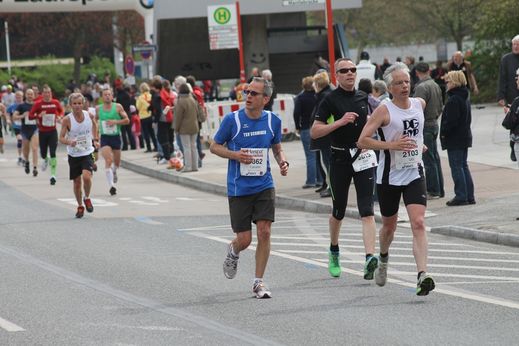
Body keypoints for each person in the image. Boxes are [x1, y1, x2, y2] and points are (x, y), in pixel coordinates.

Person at [357, 62, 436, 296]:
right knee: (389, 227)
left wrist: (419, 146)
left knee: (418, 223)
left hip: (414, 172)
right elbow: (362, 141)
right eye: (399, 83)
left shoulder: (419, 104)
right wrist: (391, 145)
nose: (404, 86)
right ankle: (383, 258)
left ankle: (422, 275)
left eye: (407, 82)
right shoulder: (384, 110)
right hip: (389, 176)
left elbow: (417, 133)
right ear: (389, 87)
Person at [210, 77, 289, 299]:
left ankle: (258, 282)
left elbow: (276, 147)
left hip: (264, 184)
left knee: (265, 231)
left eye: (254, 93)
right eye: (247, 92)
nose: (248, 96)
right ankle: (233, 251)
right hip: (239, 188)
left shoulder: (273, 120)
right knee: (245, 240)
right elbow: (214, 146)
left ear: (266, 98)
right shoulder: (232, 120)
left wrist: (282, 160)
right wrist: (235, 155)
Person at [310, 58, 378, 281]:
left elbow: (378, 120)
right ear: (336, 76)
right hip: (339, 158)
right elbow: (315, 132)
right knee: (338, 210)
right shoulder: (329, 100)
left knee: (366, 209)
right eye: (344, 71)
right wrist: (339, 123)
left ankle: (369, 257)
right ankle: (334, 250)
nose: (350, 73)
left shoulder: (363, 97)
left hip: (363, 156)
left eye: (353, 70)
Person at [59, 93, 98, 218]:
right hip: (74, 154)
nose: (77, 106)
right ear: (70, 105)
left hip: (87, 151)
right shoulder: (67, 119)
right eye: (74, 104)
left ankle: (87, 198)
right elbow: (61, 138)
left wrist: (95, 138)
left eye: (79, 103)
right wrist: (70, 142)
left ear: (83, 104)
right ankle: (80, 205)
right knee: (77, 182)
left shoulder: (89, 115)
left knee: (86, 177)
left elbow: (95, 125)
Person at [440, 71, 475, 207]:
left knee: (457, 166)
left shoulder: (454, 99)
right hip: (464, 136)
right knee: (463, 165)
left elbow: (451, 121)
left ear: (454, 82)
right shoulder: (464, 96)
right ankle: (469, 195)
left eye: (448, 81)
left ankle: (461, 195)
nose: (446, 84)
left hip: (455, 138)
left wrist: (444, 133)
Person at [413, 62, 445, 199]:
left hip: (426, 124)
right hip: (434, 122)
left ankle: (433, 190)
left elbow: (416, 109)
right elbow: (440, 105)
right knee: (435, 158)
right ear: (429, 70)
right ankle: (440, 188)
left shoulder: (421, 87)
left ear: (416, 73)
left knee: (429, 159)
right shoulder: (435, 84)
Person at [96, 87, 130, 196]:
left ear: (112, 96)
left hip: (116, 137)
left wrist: (116, 121)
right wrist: (95, 137)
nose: (107, 96)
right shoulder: (98, 109)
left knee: (117, 162)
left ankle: (114, 171)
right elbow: (93, 121)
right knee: (108, 160)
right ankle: (112, 186)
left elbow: (127, 120)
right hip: (105, 137)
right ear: (102, 97)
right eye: (105, 94)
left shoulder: (118, 107)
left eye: (109, 94)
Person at [29, 85, 64, 185]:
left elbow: (61, 111)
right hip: (42, 132)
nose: (47, 94)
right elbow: (31, 116)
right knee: (43, 153)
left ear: (51, 93)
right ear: (42, 94)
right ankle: (45, 159)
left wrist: (60, 116)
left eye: (49, 92)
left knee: (53, 152)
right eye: (45, 92)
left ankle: (53, 175)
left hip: (53, 131)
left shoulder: (55, 103)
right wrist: (38, 115)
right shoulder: (38, 104)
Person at [310, 71, 333, 198]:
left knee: (329, 163)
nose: (313, 85)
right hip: (325, 135)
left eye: (314, 83)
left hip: (326, 136)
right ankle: (328, 185)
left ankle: (331, 187)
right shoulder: (323, 95)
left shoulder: (324, 96)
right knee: (326, 162)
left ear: (318, 84)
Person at [293, 76, 318, 188]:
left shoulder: (300, 97)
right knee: (317, 155)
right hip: (317, 127)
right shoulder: (317, 96)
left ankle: (311, 181)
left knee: (310, 156)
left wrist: (298, 126)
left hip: (306, 128)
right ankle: (320, 180)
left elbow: (296, 113)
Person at [498, 35, 519, 162]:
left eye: (518, 44)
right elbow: (502, 78)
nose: (516, 47)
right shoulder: (506, 59)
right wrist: (501, 96)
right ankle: (513, 145)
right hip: (512, 96)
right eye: (514, 44)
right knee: (513, 122)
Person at [173, 83, 199, 172]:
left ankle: (188, 166)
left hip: (184, 127)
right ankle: (195, 166)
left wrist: (176, 128)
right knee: (193, 147)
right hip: (194, 126)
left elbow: (178, 117)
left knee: (186, 147)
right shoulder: (192, 99)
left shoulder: (180, 101)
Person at [13, 89, 39, 176]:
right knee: (26, 150)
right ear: (25, 95)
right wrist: (22, 116)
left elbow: (41, 115)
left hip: (34, 129)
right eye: (28, 94)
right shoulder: (21, 106)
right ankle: (27, 161)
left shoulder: (37, 105)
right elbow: (14, 117)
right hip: (24, 131)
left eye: (31, 94)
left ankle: (35, 167)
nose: (30, 96)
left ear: (34, 95)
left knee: (35, 149)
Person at [136, 82, 158, 153]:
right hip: (150, 115)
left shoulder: (140, 97)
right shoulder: (150, 95)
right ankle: (156, 146)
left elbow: (138, 107)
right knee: (152, 132)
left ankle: (148, 148)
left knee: (146, 133)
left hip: (143, 116)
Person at [6, 90, 24, 165]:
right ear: (15, 98)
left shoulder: (25, 105)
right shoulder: (12, 106)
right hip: (17, 126)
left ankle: (24, 157)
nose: (18, 98)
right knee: (20, 140)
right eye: (17, 97)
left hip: (26, 127)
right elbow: (7, 113)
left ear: (22, 97)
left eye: (20, 97)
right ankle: (20, 157)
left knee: (25, 142)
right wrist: (8, 119)